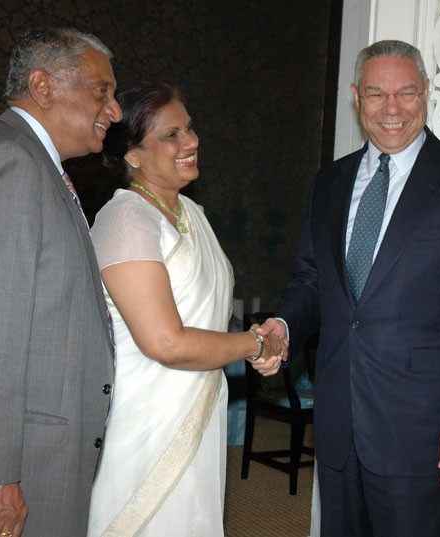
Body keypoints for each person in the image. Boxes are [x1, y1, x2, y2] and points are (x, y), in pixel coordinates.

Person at [259, 40, 440, 536]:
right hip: (337, 422)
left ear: (427, 94)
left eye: (406, 93)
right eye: (376, 94)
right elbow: (313, 280)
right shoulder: (328, 182)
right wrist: (284, 325)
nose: (391, 109)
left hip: (424, 432)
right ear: (356, 97)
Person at [0, 28, 122, 537]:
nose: (115, 110)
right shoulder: (10, 164)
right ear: (43, 87)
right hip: (19, 462)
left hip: (38, 454)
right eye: (102, 91)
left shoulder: (29, 162)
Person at [86, 80, 286, 537]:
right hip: (145, 418)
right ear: (132, 154)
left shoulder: (192, 214)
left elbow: (207, 317)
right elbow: (166, 342)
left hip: (200, 401)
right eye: (171, 135)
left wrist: (259, 343)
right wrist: (256, 344)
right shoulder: (126, 220)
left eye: (190, 129)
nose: (191, 141)